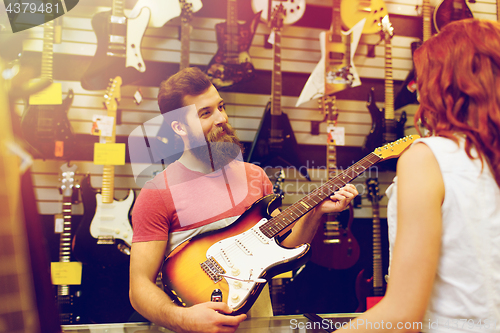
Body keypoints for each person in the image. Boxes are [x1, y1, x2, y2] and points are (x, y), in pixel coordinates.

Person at [129, 67, 358, 333]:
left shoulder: (255, 177)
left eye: (221, 107)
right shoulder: (157, 192)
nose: (221, 118)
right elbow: (139, 288)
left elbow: (282, 249)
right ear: (178, 126)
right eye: (206, 113)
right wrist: (184, 318)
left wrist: (317, 211)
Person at [336, 19, 500, 332]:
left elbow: (402, 315)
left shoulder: (428, 158)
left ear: (444, 86)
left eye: (422, 79)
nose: (416, 90)